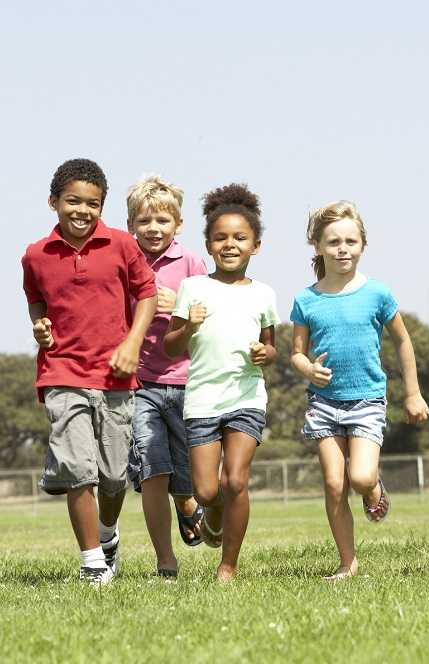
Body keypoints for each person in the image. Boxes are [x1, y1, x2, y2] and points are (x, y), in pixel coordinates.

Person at [21, 158, 157, 585]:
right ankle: (93, 563)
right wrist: (40, 325)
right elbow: (36, 298)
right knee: (78, 469)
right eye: (72, 201)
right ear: (53, 202)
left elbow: (147, 293)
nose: (82, 210)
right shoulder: (36, 255)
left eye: (92, 204)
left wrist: (132, 344)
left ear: (103, 206)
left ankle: (108, 532)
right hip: (62, 373)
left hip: (115, 376)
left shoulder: (121, 245)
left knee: (114, 476)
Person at [290, 200, 429, 581]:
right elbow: (296, 354)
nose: (342, 249)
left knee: (361, 478)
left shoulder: (378, 294)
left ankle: (374, 489)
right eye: (333, 241)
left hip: (367, 400)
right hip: (323, 403)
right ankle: (347, 563)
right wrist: (308, 368)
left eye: (351, 241)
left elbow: (403, 342)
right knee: (335, 484)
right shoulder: (306, 299)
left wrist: (413, 394)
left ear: (363, 245)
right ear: (317, 246)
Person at [164, 183, 279, 582]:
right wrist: (189, 324)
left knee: (235, 480)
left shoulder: (264, 294)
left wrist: (267, 355)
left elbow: (270, 347)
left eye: (240, 238)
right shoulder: (193, 288)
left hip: (247, 397)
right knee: (208, 492)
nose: (230, 244)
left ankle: (227, 565)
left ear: (256, 246)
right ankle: (211, 517)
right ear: (209, 245)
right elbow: (170, 345)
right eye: (221, 238)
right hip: (202, 401)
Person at [125, 175, 209, 579]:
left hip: (188, 382)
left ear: (177, 225)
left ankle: (188, 503)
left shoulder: (191, 263)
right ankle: (165, 561)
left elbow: (212, 316)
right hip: (140, 385)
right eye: (144, 221)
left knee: (188, 477)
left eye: (162, 220)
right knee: (152, 470)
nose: (153, 229)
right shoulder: (124, 260)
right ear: (130, 226)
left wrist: (182, 304)